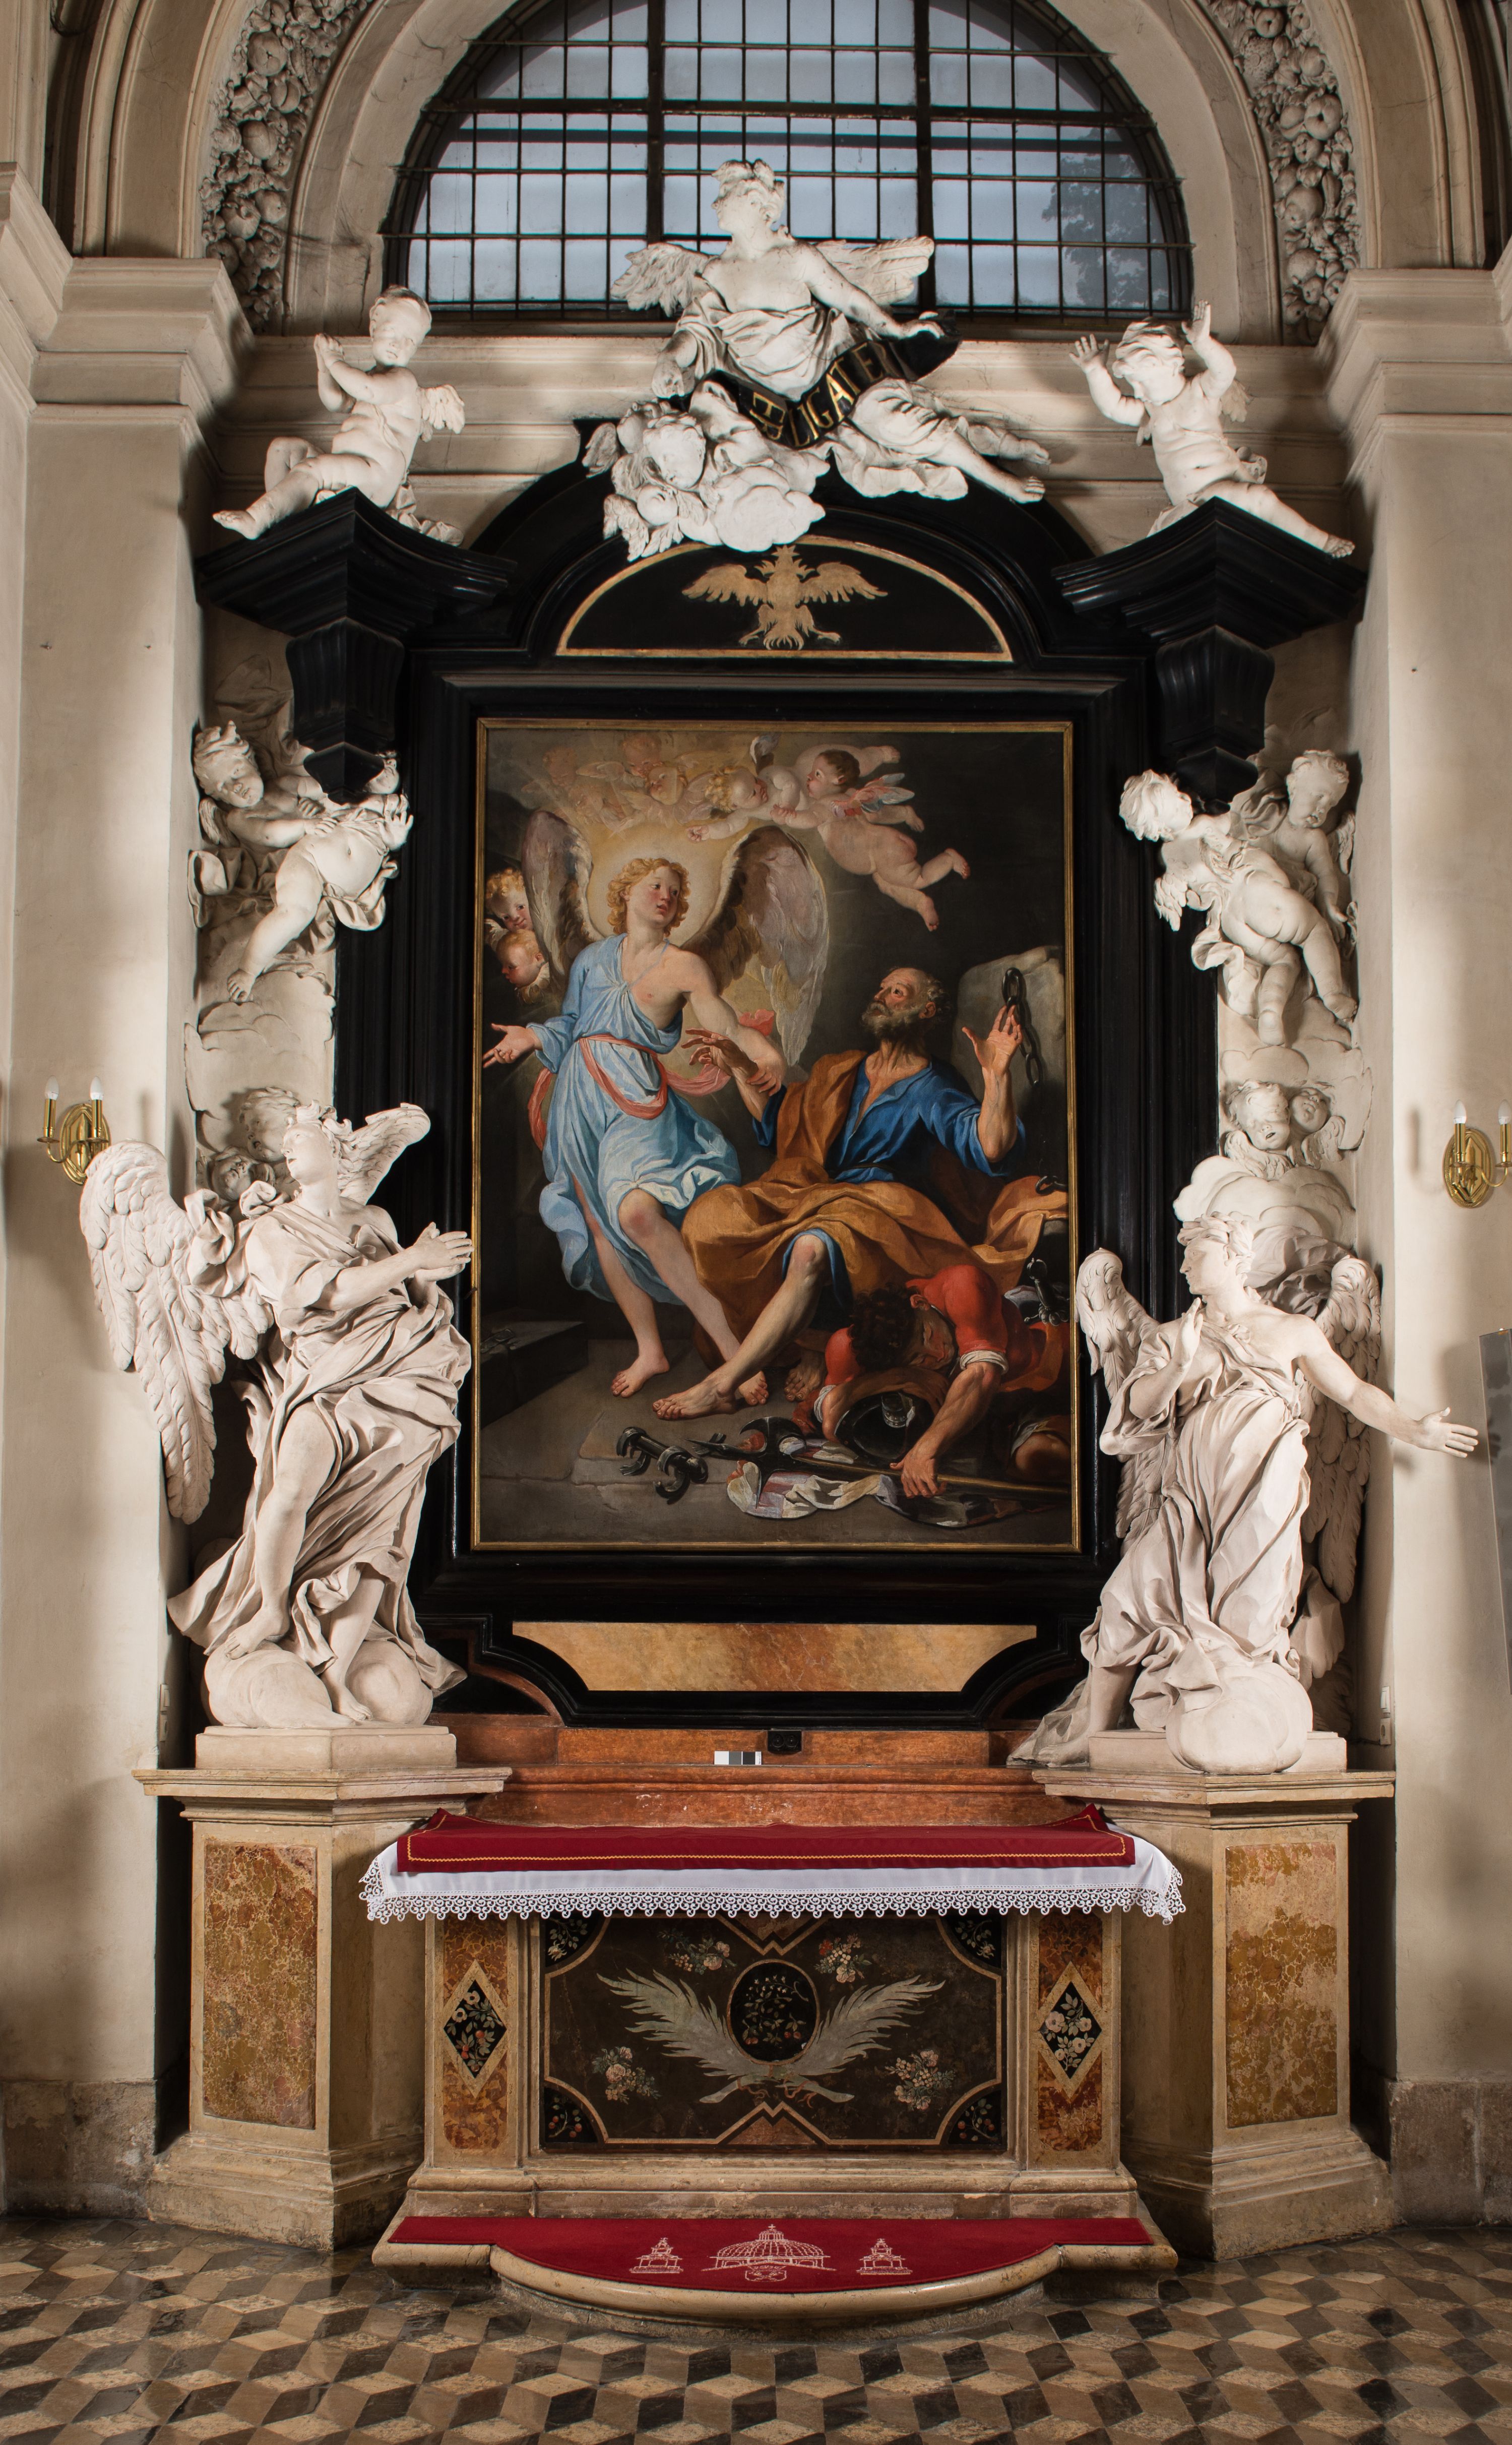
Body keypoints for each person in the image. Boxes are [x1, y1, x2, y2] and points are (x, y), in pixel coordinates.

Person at [1078, 1213, 1476, 1742]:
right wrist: (1178, 1366)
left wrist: (1415, 1430)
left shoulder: (1292, 1331)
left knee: (1245, 1626)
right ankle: (1094, 1737)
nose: (1185, 1265)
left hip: (1264, 1499)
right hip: (1191, 1501)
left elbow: (1353, 1392)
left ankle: (1241, 1733)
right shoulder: (1172, 1338)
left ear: (1234, 1257)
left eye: (1196, 1253)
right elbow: (1130, 1415)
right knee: (1124, 1599)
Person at [167, 1106, 472, 1723]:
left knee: (381, 1534)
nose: (288, 1146)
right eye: (285, 1139)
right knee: (289, 1491)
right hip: (324, 1379)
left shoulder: (376, 1220)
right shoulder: (271, 1229)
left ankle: (338, 1670)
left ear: (335, 1151)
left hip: (405, 1374)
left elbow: (407, 1294)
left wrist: (426, 1277)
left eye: (300, 1137)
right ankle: (271, 1606)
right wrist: (412, 1259)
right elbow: (329, 1292)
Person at [653, 966, 1057, 1421]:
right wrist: (741, 1068)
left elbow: (990, 1148)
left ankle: (723, 1385)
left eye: (897, 991)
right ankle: (812, 1343)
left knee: (811, 1247)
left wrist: (997, 1075)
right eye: (882, 987)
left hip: (890, 1220)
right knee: (713, 1216)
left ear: (926, 1010)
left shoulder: (933, 1085)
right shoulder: (840, 1070)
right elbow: (781, 1124)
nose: (882, 995)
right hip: (818, 1196)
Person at [483, 857, 785, 1398]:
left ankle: (735, 1351)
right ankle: (650, 1348)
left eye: (675, 890)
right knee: (600, 1225)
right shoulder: (592, 960)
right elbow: (572, 1026)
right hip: (578, 1102)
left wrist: (763, 1054)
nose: (666, 895)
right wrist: (532, 1036)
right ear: (626, 893)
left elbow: (727, 1024)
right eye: (656, 885)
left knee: (637, 1213)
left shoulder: (685, 966)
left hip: (636, 1100)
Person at [1071, 305, 1352, 555]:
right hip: (1189, 506)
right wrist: (1095, 371)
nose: (1138, 392)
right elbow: (1114, 407)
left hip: (1218, 492)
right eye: (1134, 386)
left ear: (1170, 366)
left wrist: (1203, 343)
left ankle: (1321, 542)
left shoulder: (1199, 392)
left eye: (1142, 382)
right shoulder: (1151, 411)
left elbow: (1224, 372)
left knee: (1261, 498)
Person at [213, 287, 465, 541]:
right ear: (374, 326)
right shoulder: (371, 377)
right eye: (392, 331)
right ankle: (283, 524)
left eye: (409, 341)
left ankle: (258, 518)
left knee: (315, 469)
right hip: (352, 467)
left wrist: (334, 361)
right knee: (283, 448)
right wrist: (324, 367)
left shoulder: (403, 381)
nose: (397, 345)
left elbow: (367, 389)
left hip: (374, 476)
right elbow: (337, 402)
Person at [813, 1264, 1067, 1497]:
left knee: (1039, 1458)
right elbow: (831, 1420)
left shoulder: (961, 1286)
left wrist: (924, 1452)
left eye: (928, 1335)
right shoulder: (850, 1346)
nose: (938, 1354)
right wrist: (895, 1377)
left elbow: (981, 1375)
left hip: (1039, 1386)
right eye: (919, 1359)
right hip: (976, 1429)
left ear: (920, 1303)